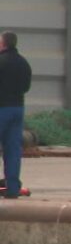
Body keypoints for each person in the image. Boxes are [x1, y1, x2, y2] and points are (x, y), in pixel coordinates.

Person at [0, 32, 31, 200]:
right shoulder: (23, 63)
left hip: (1, 109)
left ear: (3, 44)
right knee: (13, 150)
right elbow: (26, 87)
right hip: (18, 109)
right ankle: (12, 189)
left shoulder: (1, 62)